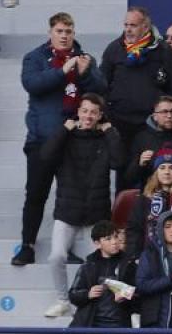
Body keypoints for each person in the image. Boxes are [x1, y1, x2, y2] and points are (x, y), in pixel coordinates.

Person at [14, 11, 103, 267]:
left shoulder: (86, 58)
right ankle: (27, 245)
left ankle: (68, 246)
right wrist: (62, 71)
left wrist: (85, 74)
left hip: (75, 141)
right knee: (36, 194)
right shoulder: (35, 57)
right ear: (50, 33)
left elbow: (100, 91)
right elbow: (33, 84)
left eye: (69, 31)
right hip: (42, 138)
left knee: (72, 196)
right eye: (60, 31)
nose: (65, 36)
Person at [40, 93, 123, 318]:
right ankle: (62, 300)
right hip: (67, 210)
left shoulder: (106, 137)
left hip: (96, 214)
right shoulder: (66, 136)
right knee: (56, 256)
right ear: (78, 112)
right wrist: (64, 130)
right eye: (85, 111)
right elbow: (45, 156)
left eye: (93, 112)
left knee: (98, 263)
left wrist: (110, 131)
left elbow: (119, 162)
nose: (88, 116)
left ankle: (94, 304)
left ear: (100, 116)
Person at [100, 7, 172, 151]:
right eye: (126, 25)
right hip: (120, 122)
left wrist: (169, 114)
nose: (128, 29)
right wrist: (108, 112)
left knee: (150, 165)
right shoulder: (114, 49)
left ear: (145, 27)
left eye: (133, 25)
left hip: (151, 122)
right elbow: (102, 83)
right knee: (123, 168)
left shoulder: (163, 50)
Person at [61, 220, 136, 334]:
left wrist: (126, 297)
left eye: (116, 237)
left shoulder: (129, 264)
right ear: (97, 243)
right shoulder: (88, 265)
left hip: (117, 329)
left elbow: (141, 296)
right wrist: (87, 294)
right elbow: (73, 295)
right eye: (108, 239)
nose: (114, 242)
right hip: (90, 327)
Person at [125, 147, 172, 261]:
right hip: (150, 256)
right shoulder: (144, 198)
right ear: (156, 173)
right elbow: (135, 230)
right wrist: (135, 257)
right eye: (162, 168)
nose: (167, 172)